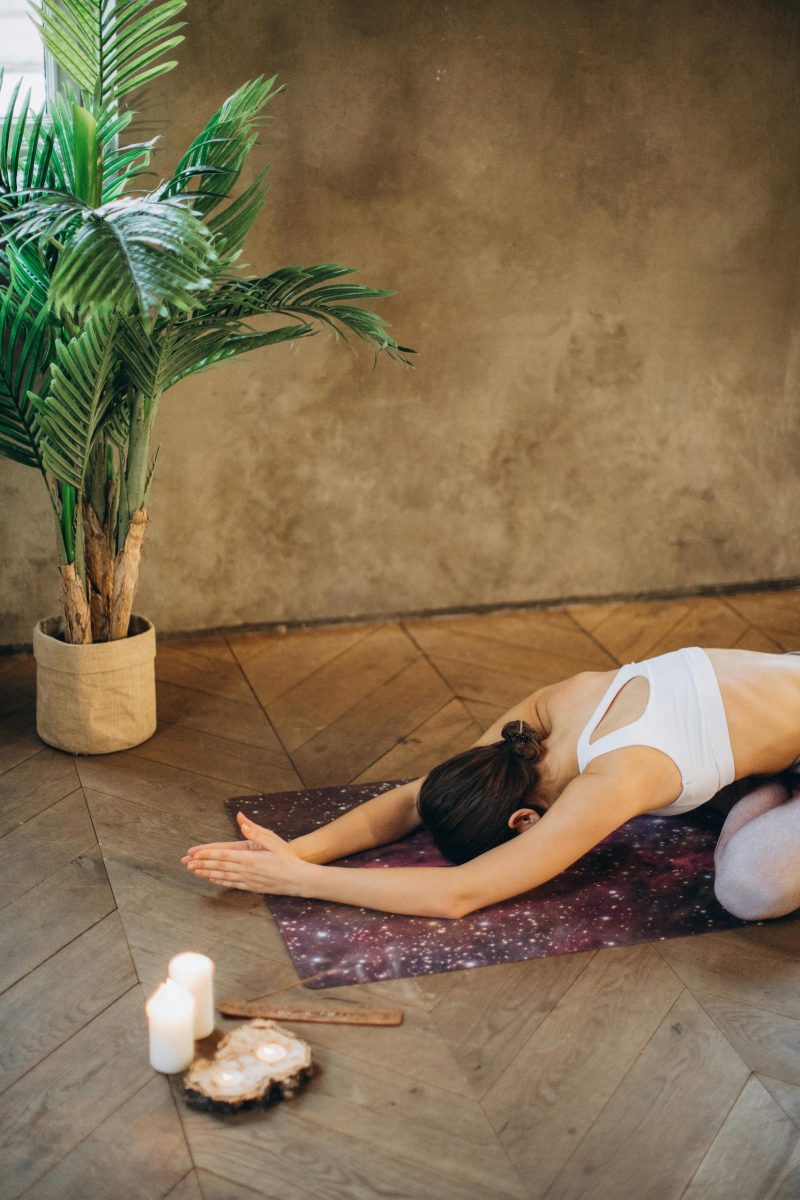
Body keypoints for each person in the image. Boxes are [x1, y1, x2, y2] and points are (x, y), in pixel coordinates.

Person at [181, 645, 800, 922]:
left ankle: (770, 792)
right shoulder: (548, 715)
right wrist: (299, 849)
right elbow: (414, 798)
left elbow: (458, 894)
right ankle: (766, 784)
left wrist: (303, 880)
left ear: (524, 823)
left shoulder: (618, 775)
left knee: (748, 890)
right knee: (692, 805)